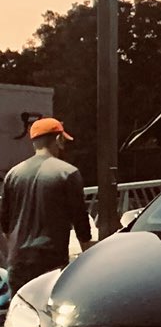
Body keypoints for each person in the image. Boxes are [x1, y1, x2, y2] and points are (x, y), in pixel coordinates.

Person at [0, 117, 94, 298]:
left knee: (22, 311)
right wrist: (87, 258)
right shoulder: (68, 173)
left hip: (18, 261)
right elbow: (80, 221)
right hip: (50, 262)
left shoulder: (13, 174)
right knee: (48, 310)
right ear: (58, 139)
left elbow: (5, 223)